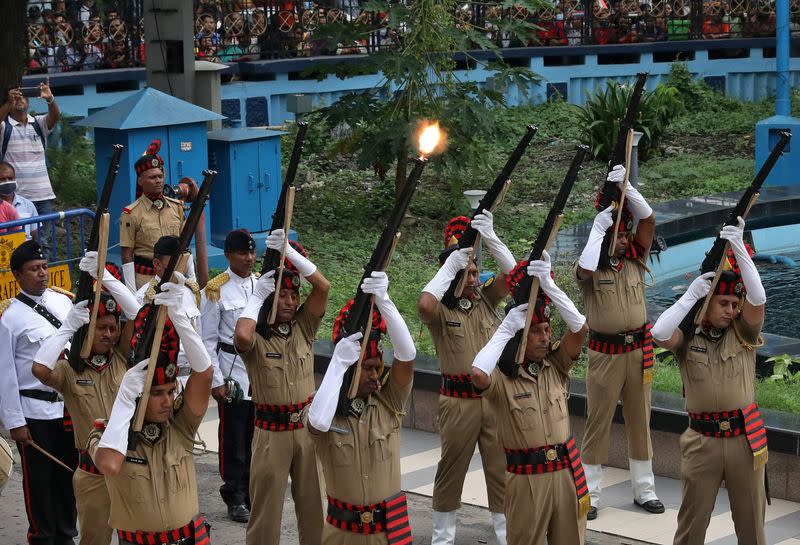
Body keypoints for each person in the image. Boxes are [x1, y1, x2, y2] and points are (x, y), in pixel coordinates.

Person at [652, 217, 767, 545]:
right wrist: (690, 295)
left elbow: (757, 300)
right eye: (724, 303)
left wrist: (739, 249)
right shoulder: (688, 337)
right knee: (691, 525)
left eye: (734, 304)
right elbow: (659, 332)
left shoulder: (743, 333)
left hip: (744, 439)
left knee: (752, 527)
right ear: (707, 302)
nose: (731, 310)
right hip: (702, 441)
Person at [472, 252, 590, 545]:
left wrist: (549, 285)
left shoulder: (556, 365)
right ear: (519, 336)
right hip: (526, 479)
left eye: (547, 330)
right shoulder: (503, 378)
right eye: (536, 331)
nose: (545, 336)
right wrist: (507, 327)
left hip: (565, 473)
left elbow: (580, 329)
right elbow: (477, 374)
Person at [88, 272, 214, 545]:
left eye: (170, 392)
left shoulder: (179, 425)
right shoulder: (109, 434)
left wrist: (181, 320)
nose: (168, 401)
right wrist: (124, 398)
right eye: (157, 394)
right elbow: (109, 464)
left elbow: (204, 375)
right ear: (136, 395)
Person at [31, 251, 141, 545]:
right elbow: (40, 368)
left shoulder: (120, 358)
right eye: (100, 328)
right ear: (86, 331)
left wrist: (105, 277)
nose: (108, 334)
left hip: (131, 467)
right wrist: (68, 326)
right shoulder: (68, 371)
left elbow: (138, 314)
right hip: (93, 476)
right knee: (95, 540)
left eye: (112, 328)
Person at [418, 211, 514, 545]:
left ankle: (506, 536)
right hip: (459, 402)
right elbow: (424, 304)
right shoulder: (443, 312)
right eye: (467, 272)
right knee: (451, 471)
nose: (473, 277)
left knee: (500, 471)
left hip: (493, 399)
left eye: (475, 271)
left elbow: (515, 277)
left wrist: (490, 236)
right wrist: (451, 266)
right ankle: (442, 539)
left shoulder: (486, 300)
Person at [576, 165, 663, 520]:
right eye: (619, 235)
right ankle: (592, 494)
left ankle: (645, 490)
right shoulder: (593, 268)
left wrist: (628, 188)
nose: (626, 240)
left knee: (641, 420)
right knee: (598, 421)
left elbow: (649, 220)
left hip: (638, 351)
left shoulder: (634, 261)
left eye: (627, 234)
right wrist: (599, 226)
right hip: (605, 353)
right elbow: (583, 266)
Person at [234, 229, 329, 545]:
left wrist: (290, 252)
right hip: (270, 434)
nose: (288, 302)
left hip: (305, 430)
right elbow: (242, 338)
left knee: (315, 511)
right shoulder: (258, 337)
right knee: (265, 517)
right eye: (281, 296)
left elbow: (323, 287)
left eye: (292, 296)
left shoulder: (304, 327)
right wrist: (257, 296)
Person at [308, 270, 417, 545]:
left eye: (377, 368)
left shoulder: (387, 402)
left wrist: (385, 301)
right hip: (343, 536)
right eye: (367, 368)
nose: (375, 375)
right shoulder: (326, 406)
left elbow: (407, 355)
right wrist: (338, 364)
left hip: (387, 535)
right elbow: (318, 423)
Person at [0, 240, 78, 545]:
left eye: (44, 267)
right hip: (34, 412)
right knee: (40, 480)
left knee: (68, 473)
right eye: (34, 269)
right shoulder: (10, 319)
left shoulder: (63, 302)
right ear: (18, 275)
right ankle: (43, 535)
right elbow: (5, 375)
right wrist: (15, 423)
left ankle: (65, 532)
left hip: (67, 407)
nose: (42, 274)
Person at [200, 229, 258, 523]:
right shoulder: (216, 290)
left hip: (258, 373)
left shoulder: (261, 285)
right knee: (234, 439)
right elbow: (207, 340)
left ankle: (252, 493)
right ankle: (234, 494)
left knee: (255, 437)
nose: (249, 258)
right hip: (233, 370)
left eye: (251, 253)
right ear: (228, 255)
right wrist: (217, 380)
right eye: (242, 253)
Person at [135, 236, 202, 387]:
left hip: (190, 379)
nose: (179, 271)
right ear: (157, 264)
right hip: (159, 381)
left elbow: (200, 337)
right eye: (173, 265)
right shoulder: (144, 297)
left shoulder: (190, 292)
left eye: (182, 264)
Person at [120, 140, 186, 291]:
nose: (158, 181)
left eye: (160, 176)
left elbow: (184, 245)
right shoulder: (131, 214)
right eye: (152, 177)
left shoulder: (176, 208)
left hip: (175, 277)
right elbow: (127, 254)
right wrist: (131, 291)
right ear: (141, 181)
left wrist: (191, 277)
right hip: (146, 280)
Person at [0, 83, 60, 229]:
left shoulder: (38, 123)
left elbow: (55, 116)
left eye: (23, 97)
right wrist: (9, 103)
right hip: (17, 197)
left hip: (43, 196)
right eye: (15, 98)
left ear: (28, 102)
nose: (19, 100)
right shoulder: (4, 127)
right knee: (20, 239)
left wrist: (50, 98)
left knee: (43, 242)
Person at [0, 160, 40, 241]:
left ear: (15, 179)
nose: (7, 182)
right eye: (2, 179)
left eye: (10, 178)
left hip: (24, 250)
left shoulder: (28, 205)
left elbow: (36, 235)